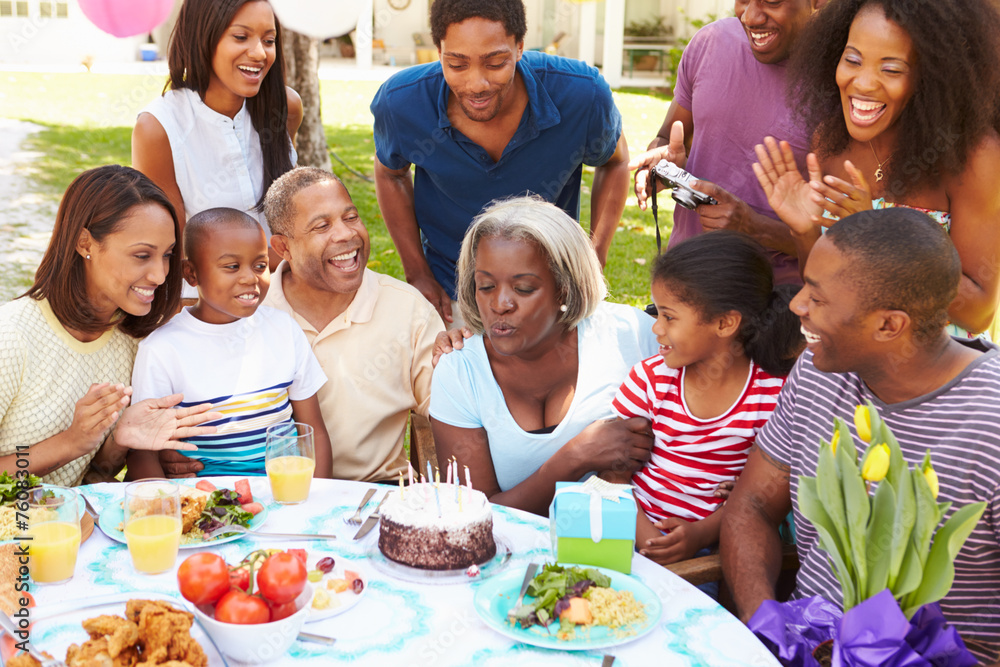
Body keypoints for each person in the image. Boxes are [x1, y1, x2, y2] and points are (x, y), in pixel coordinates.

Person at [720, 208, 1000, 663]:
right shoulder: (817, 371)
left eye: (818, 297)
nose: (796, 306)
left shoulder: (990, 424)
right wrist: (765, 626)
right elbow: (751, 504)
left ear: (890, 325)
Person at [155, 168, 444, 483]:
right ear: (283, 248)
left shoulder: (407, 307)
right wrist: (168, 451)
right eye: (322, 225)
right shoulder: (245, 307)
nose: (346, 234)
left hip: (375, 493)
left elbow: (453, 408)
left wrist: (465, 357)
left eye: (351, 217)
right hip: (272, 493)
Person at [371, 0, 630, 326]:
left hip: (553, 292)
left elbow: (615, 161)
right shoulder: (401, 103)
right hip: (450, 289)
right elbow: (390, 174)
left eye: (495, 63)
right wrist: (417, 272)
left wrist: (595, 257)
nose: (476, 84)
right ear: (439, 50)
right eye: (457, 64)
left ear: (519, 47)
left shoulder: (582, 95)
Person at [752, 0, 1000, 336]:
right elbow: (826, 286)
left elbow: (977, 315)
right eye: (852, 60)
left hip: (934, 374)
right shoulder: (831, 142)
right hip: (849, 360)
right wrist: (804, 230)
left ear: (932, 77)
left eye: (891, 69)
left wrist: (879, 237)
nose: (863, 83)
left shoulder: (974, 157)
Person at [429, 196, 658, 516]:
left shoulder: (633, 336)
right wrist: (576, 457)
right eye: (486, 286)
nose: (500, 304)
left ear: (564, 287)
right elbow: (473, 516)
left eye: (523, 288)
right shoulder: (460, 371)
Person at [0, 165, 222, 486]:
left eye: (167, 255)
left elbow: (93, 476)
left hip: (71, 526)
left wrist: (122, 442)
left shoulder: (134, 342)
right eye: (142, 255)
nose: (160, 275)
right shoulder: (12, 336)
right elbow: (70, 455)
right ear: (84, 243)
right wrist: (70, 442)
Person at [607, 232, 801, 567]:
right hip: (630, 537)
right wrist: (650, 541)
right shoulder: (650, 379)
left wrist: (701, 535)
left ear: (725, 323)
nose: (656, 329)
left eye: (669, 317)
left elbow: (763, 496)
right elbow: (612, 474)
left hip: (713, 552)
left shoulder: (771, 395)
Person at [126, 208, 332, 479]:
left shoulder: (283, 329)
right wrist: (163, 511)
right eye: (232, 266)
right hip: (206, 504)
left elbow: (312, 429)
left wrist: (317, 501)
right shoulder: (162, 349)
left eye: (260, 266)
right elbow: (143, 453)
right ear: (191, 274)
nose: (250, 278)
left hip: (286, 493)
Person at [629, 0, 817, 286]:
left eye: (772, 1)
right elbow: (669, 136)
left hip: (778, 305)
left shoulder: (843, 81)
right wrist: (663, 164)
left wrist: (754, 227)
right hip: (685, 285)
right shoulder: (711, 42)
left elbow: (843, 243)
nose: (750, 17)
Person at [132, 0, 302, 280]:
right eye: (240, 37)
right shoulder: (158, 128)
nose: (259, 53)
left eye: (269, 40)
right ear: (202, 37)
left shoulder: (286, 107)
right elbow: (171, 251)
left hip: (286, 291)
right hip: (204, 304)